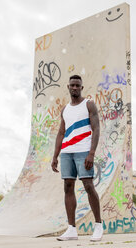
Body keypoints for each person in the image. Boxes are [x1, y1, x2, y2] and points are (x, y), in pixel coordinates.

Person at [51, 75, 103, 241]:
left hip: (83, 151)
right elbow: (61, 133)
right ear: (68, 87)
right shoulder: (65, 109)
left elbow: (96, 129)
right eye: (72, 85)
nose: (74, 88)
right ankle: (71, 229)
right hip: (67, 152)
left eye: (77, 85)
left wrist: (91, 153)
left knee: (88, 185)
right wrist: (55, 156)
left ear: (81, 87)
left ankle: (98, 225)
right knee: (68, 186)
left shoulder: (88, 104)